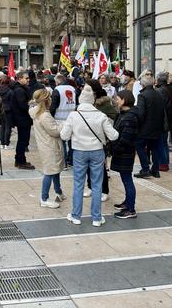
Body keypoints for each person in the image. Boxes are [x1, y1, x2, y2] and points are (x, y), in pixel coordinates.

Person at [60, 85, 118, 226]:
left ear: (80, 101)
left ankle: (76, 216)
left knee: (78, 183)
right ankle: (97, 218)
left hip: (79, 151)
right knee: (97, 184)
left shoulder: (73, 115)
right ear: (92, 101)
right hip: (97, 151)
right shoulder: (100, 115)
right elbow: (114, 135)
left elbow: (64, 135)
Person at [29, 89, 65, 209]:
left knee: (55, 170)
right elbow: (55, 131)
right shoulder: (44, 115)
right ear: (46, 100)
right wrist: (63, 125)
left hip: (46, 145)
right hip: (50, 146)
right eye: (49, 98)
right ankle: (44, 198)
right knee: (50, 172)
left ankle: (58, 191)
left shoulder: (37, 112)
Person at [110, 90, 139, 219]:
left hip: (125, 153)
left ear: (124, 100)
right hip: (122, 152)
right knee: (125, 178)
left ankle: (131, 209)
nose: (116, 101)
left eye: (118, 99)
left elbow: (125, 138)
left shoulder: (130, 117)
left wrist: (115, 148)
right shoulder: (123, 114)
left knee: (127, 180)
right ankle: (127, 202)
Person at [134, 73, 165, 179]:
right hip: (157, 126)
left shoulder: (142, 95)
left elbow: (141, 113)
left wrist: (137, 124)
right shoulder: (159, 93)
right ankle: (155, 170)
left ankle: (145, 169)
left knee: (139, 146)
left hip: (145, 128)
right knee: (155, 148)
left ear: (142, 84)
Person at [50, 73, 77, 167]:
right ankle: (71, 161)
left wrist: (51, 116)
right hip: (72, 118)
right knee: (71, 141)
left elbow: (53, 106)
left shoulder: (57, 90)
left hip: (59, 119)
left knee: (62, 142)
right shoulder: (73, 89)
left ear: (57, 81)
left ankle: (64, 163)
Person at [11, 71, 35, 169]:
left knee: (23, 140)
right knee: (23, 141)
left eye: (28, 78)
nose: (28, 80)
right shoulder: (19, 90)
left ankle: (20, 160)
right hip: (22, 119)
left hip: (23, 118)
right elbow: (22, 105)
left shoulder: (21, 88)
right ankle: (20, 161)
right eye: (26, 78)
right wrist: (31, 104)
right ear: (20, 79)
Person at [155, 72, 172, 172]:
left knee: (161, 143)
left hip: (163, 120)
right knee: (164, 143)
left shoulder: (161, 90)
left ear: (159, 80)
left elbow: (160, 106)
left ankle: (163, 163)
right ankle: (165, 161)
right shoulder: (168, 88)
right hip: (167, 119)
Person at [0, 76, 14, 149]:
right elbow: (12, 102)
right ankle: (6, 144)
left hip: (0, 110)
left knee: (2, 126)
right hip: (8, 110)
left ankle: (2, 143)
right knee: (7, 127)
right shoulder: (10, 91)